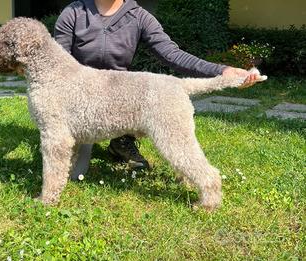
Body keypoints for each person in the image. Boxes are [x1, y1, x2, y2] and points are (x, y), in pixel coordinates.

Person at [54, 0, 258, 179]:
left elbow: (172, 54)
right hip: (82, 103)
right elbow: (58, 63)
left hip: (122, 96)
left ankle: (121, 141)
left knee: (174, 142)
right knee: (74, 174)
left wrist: (223, 70)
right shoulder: (73, 12)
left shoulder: (139, 16)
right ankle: (88, 139)